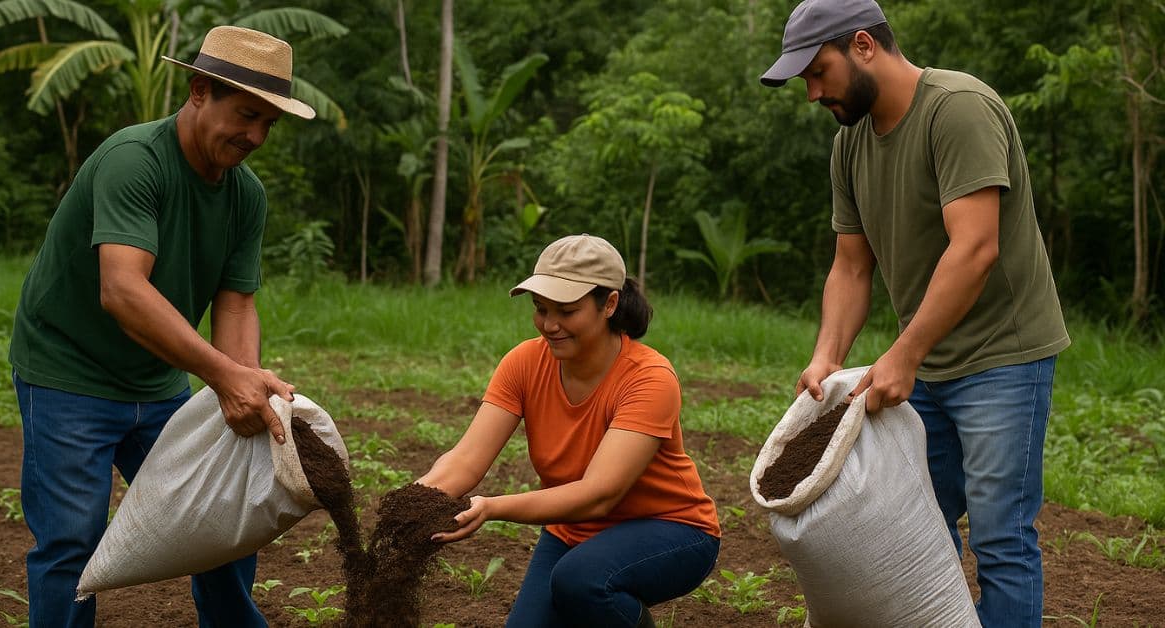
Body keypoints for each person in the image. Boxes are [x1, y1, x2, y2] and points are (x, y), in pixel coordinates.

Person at [759, 1, 1070, 626]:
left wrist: (905, 354)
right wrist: (827, 356)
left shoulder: (958, 109)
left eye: (818, 73)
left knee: (1001, 535)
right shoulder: (849, 145)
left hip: (1003, 357)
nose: (813, 93)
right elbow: (851, 267)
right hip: (924, 361)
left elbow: (975, 247)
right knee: (920, 524)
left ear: (864, 46)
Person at [8, 25, 318, 628]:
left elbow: (236, 305)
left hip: (157, 380)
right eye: (247, 115)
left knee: (223, 524)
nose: (256, 137)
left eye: (268, 124)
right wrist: (224, 377)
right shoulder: (135, 161)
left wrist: (246, 383)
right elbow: (123, 290)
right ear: (199, 90)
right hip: (68, 373)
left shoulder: (245, 195)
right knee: (72, 543)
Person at [417, 234, 721, 628]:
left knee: (582, 580)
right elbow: (465, 459)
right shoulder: (524, 363)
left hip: (672, 529)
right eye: (540, 309)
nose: (550, 325)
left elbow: (599, 494)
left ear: (609, 304)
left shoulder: (649, 378)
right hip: (572, 531)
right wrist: (412, 502)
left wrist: (492, 508)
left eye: (567, 311)